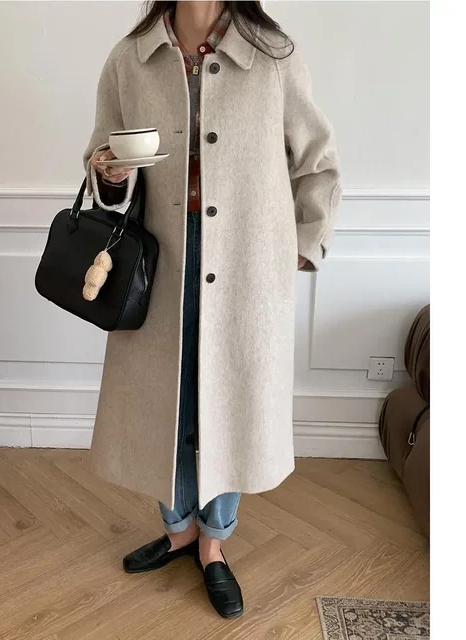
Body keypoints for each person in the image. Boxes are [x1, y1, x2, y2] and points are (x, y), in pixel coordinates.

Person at [83, 0, 341, 619]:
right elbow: (104, 166)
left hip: (246, 261)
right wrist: (108, 172)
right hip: (159, 258)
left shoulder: (274, 56)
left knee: (228, 399)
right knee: (167, 399)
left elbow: (318, 164)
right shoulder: (129, 59)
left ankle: (213, 545)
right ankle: (177, 530)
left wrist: (297, 251)